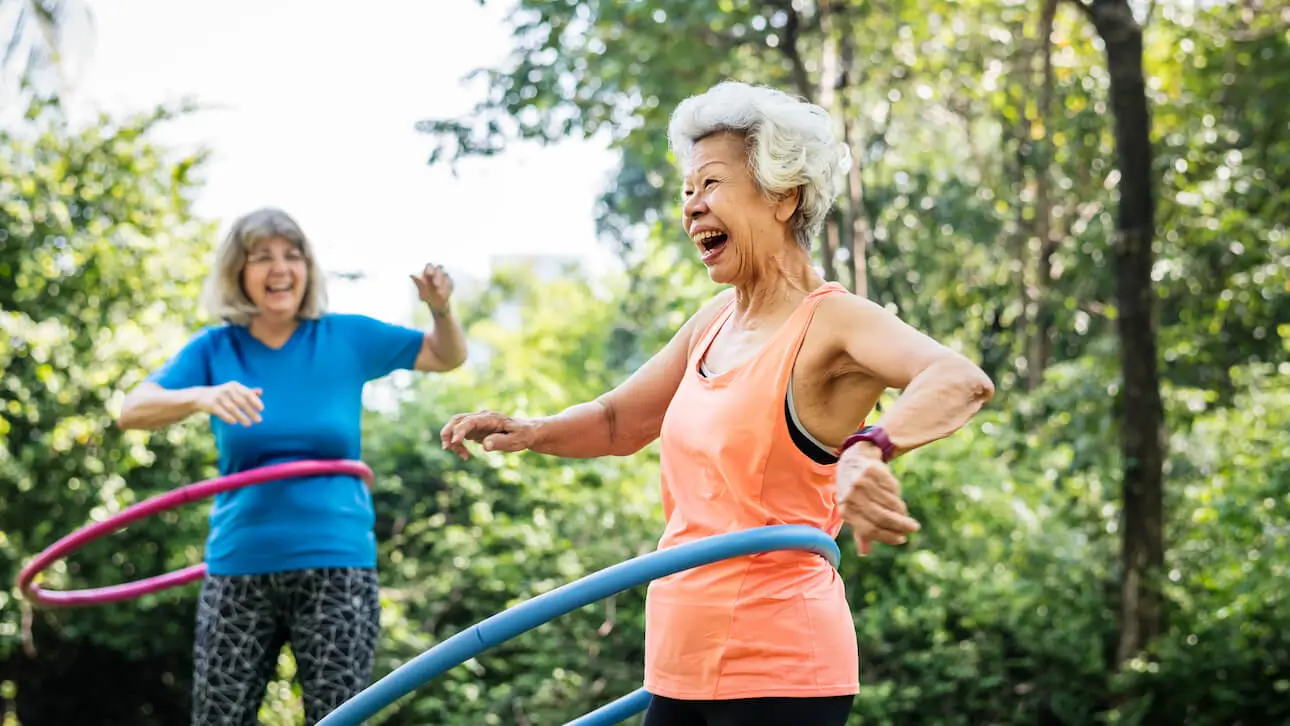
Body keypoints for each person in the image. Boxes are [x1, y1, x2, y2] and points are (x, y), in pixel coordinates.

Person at [439, 81, 995, 726]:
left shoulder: (834, 322)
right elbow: (620, 422)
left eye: (710, 185)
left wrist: (872, 449)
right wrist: (532, 430)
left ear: (783, 195)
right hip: (677, 661)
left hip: (779, 667)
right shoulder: (714, 321)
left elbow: (958, 379)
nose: (691, 207)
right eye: (686, 191)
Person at [117, 207, 468, 726]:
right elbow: (131, 409)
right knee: (218, 719)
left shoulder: (345, 337)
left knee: (337, 719)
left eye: (292, 254)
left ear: (308, 268)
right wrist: (200, 396)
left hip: (337, 566)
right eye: (262, 257)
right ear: (239, 272)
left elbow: (445, 356)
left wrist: (440, 309)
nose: (280, 268)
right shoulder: (216, 348)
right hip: (239, 567)